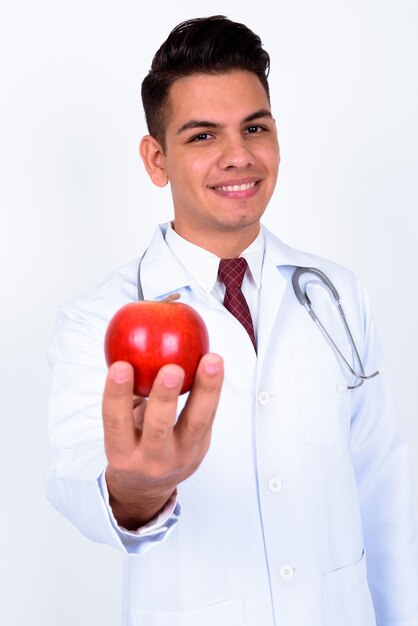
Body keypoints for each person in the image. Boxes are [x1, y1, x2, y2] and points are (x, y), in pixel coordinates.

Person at [47, 15, 418, 626]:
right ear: (155, 159)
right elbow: (73, 480)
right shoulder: (98, 321)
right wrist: (138, 491)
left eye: (255, 127)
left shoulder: (336, 295)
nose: (239, 155)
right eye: (201, 136)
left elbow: (384, 489)